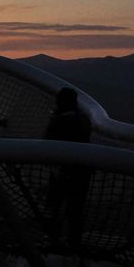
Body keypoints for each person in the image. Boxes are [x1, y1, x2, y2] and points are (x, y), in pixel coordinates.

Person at [44, 87, 92, 243]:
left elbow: (47, 143)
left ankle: (53, 239)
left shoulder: (58, 122)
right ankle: (73, 241)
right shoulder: (83, 120)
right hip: (81, 172)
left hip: (60, 172)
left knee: (54, 208)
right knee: (75, 210)